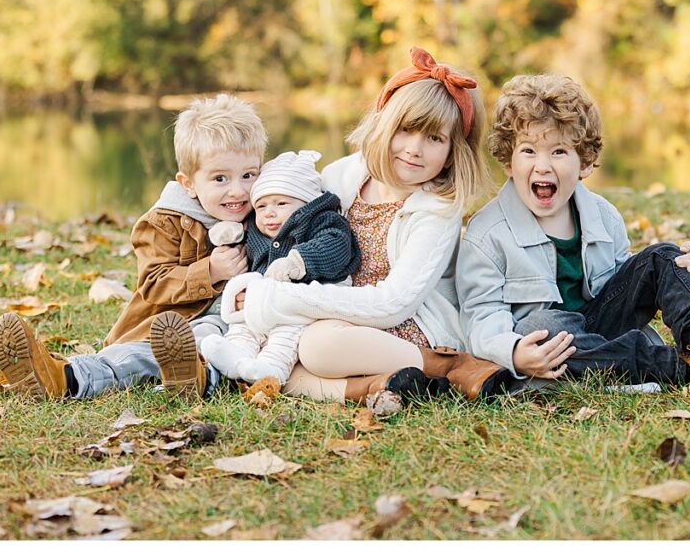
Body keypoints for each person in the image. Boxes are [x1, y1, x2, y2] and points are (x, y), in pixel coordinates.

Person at [220, 46, 515, 405]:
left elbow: (394, 303)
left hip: (405, 325)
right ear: (384, 124)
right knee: (281, 361)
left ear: (454, 151)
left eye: (434, 138)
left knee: (315, 346)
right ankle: (379, 386)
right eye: (405, 130)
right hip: (339, 312)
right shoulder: (342, 175)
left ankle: (447, 367)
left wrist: (281, 298)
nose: (414, 149)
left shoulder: (438, 211)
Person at [456, 74, 690, 392]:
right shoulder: (488, 235)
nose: (542, 165)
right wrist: (514, 352)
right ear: (509, 162)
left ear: (584, 163)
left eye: (558, 152)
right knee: (544, 327)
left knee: (663, 255)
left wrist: (688, 271)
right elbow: (481, 318)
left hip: (603, 324)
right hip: (549, 348)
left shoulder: (602, 216)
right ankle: (683, 368)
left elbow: (625, 283)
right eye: (528, 151)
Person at [0, 94, 266, 400]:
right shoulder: (164, 223)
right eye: (219, 178)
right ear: (188, 184)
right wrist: (210, 271)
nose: (237, 190)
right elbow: (153, 284)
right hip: (171, 329)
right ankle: (62, 378)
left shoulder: (267, 214)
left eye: (248, 175)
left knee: (221, 349)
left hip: (237, 336)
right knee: (135, 357)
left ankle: (193, 377)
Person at [199, 149, 360, 384]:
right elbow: (246, 242)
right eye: (261, 206)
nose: (269, 213)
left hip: (306, 301)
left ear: (306, 204)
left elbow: (335, 245)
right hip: (264, 300)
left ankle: (270, 370)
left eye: (281, 203)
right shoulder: (259, 229)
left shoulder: (324, 221)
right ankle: (235, 357)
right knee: (245, 325)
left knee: (285, 336)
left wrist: (298, 261)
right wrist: (231, 234)